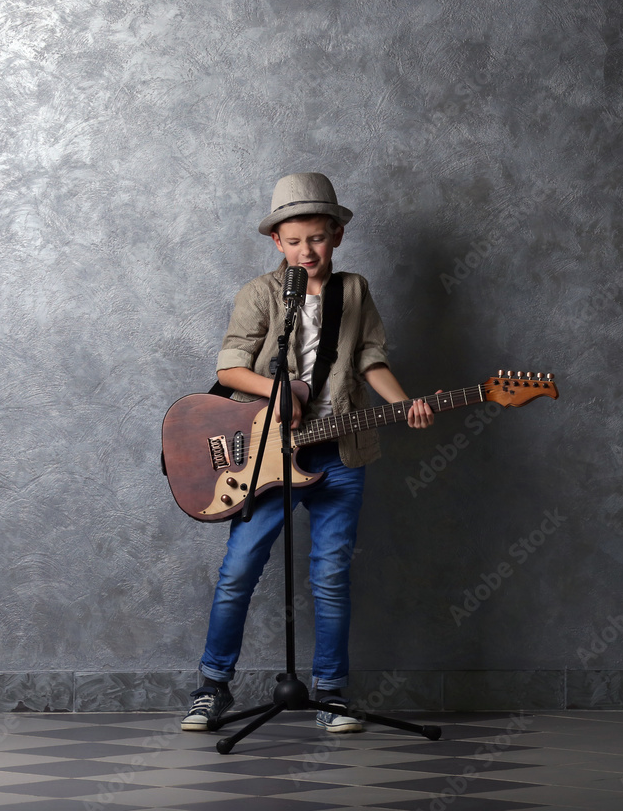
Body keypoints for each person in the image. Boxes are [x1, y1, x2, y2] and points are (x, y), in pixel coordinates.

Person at [182, 172, 435, 734]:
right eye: (294, 241)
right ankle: (212, 687)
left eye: (317, 238)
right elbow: (229, 369)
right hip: (269, 457)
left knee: (331, 576)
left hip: (339, 455)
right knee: (239, 569)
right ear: (277, 242)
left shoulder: (355, 290)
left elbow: (371, 358)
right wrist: (280, 390)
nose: (306, 251)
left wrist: (405, 403)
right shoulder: (260, 294)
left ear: (337, 235)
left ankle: (331, 693)